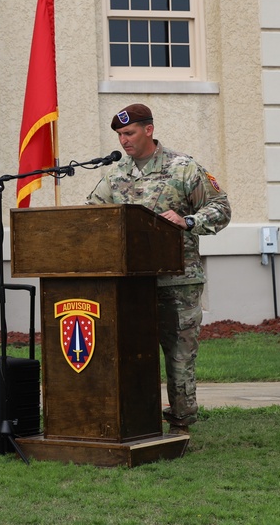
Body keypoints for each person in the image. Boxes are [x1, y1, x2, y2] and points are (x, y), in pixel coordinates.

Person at [86, 103, 231, 436]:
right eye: (120, 135)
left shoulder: (183, 168)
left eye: (129, 133)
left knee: (179, 357)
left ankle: (181, 423)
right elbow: (92, 215)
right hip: (132, 285)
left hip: (178, 282)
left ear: (148, 130)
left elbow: (220, 208)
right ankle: (139, 421)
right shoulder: (115, 174)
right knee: (134, 354)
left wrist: (188, 220)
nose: (124, 141)